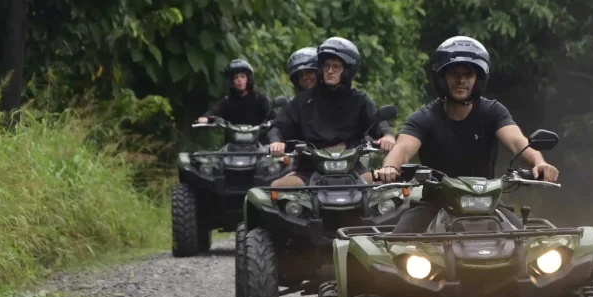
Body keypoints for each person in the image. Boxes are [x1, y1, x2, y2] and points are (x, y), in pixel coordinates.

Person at [373, 36, 559, 232]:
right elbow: (402, 149)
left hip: (487, 203)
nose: (461, 80)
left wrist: (539, 163)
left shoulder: (492, 111)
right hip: (434, 204)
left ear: (477, 79)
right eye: (454, 73)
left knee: (525, 243)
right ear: (442, 77)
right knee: (398, 245)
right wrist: (390, 168)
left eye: (468, 74)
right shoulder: (424, 118)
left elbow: (517, 142)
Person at [268, 37, 396, 186]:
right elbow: (279, 126)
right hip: (309, 170)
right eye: (327, 66)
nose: (329, 71)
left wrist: (387, 136)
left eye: (336, 67)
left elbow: (378, 123)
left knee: (384, 190)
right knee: (277, 188)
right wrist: (276, 142)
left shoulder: (359, 100)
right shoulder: (303, 100)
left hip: (352, 169)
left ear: (347, 71)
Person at [197, 59, 271, 125]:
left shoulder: (259, 99)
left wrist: (271, 122)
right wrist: (206, 118)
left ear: (248, 79)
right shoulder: (228, 101)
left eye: (242, 76)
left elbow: (272, 115)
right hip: (233, 138)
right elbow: (214, 111)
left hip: (256, 137)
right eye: (235, 78)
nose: (239, 80)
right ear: (232, 82)